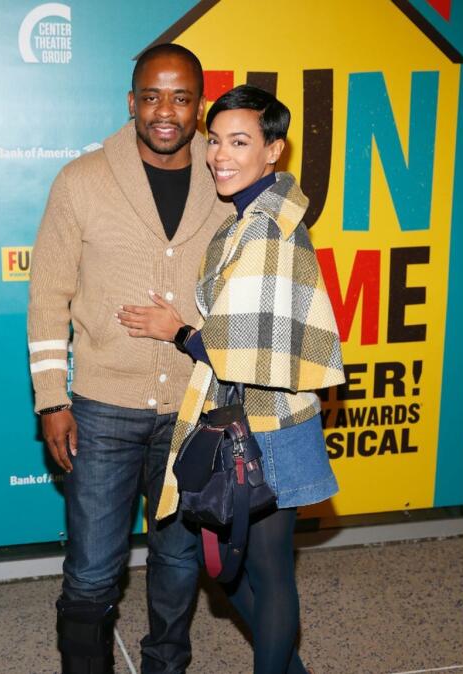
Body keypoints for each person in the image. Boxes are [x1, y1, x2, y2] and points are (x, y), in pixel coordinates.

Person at [118, 85, 345, 673]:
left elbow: (234, 354)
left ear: (274, 150)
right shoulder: (249, 216)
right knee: (236, 570)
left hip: (269, 426)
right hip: (251, 420)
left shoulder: (265, 227)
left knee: (264, 574)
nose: (220, 154)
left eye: (240, 142)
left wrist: (177, 330)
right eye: (214, 140)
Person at [27, 44, 233, 674]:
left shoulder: (228, 181)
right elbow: (47, 296)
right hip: (102, 408)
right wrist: (51, 398)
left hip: (192, 410)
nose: (164, 111)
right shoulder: (82, 179)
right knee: (91, 572)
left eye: (179, 97)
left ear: (199, 105)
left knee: (178, 563)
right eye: (151, 96)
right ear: (131, 103)